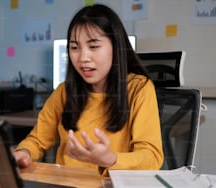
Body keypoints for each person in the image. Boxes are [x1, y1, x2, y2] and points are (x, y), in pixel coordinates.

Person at [14, 4, 164, 176]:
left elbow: (151, 157)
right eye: (74, 47)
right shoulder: (65, 91)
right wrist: (24, 152)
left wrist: (110, 159)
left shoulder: (139, 89)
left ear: (116, 47)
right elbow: (37, 140)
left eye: (93, 46)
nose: (83, 58)